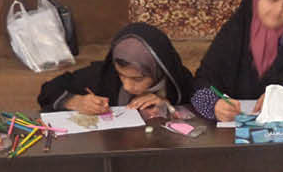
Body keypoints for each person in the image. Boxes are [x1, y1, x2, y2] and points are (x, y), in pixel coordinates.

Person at [38, 23, 192, 118]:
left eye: (138, 79)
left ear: (158, 70)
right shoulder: (102, 75)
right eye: (121, 75)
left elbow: (200, 107)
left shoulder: (178, 80)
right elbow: (48, 90)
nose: (127, 86)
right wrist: (74, 101)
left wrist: (168, 106)